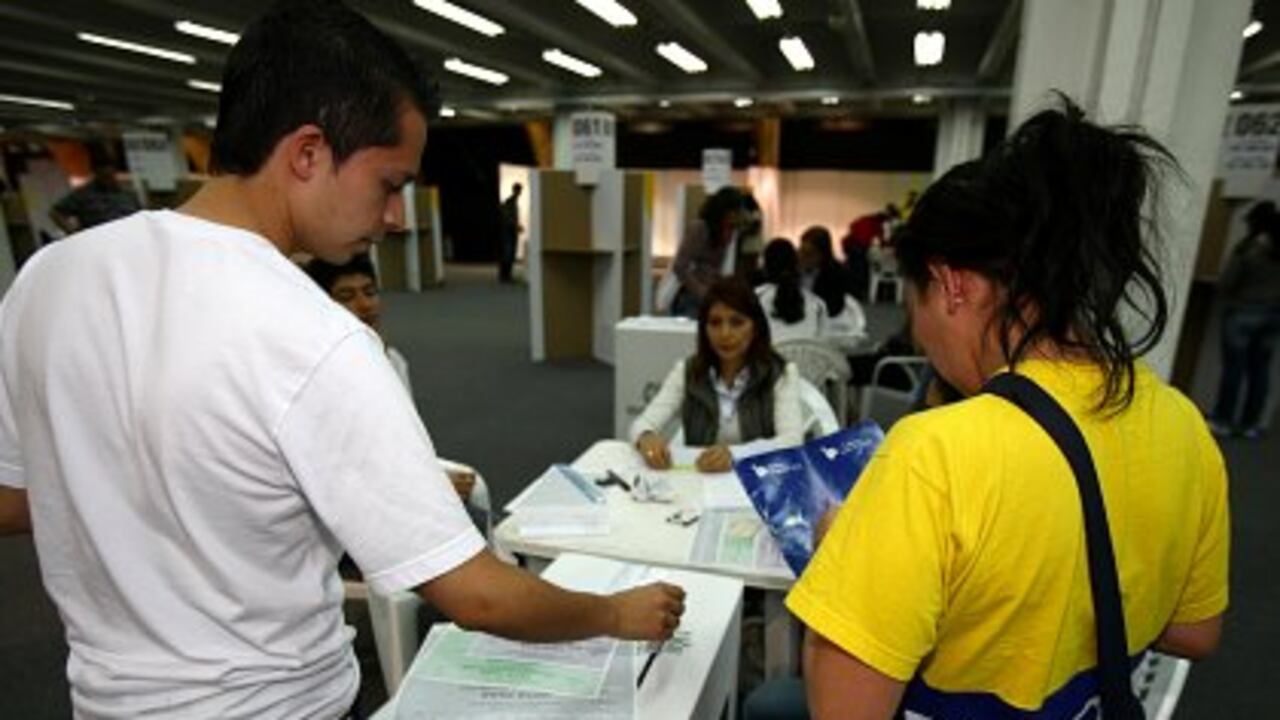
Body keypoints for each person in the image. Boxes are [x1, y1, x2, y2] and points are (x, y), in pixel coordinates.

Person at [0, 2, 683, 717]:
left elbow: (16, 502)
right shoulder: (311, 334)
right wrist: (615, 613)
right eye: (389, 184)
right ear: (308, 153)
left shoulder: (49, 278)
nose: (395, 218)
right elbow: (477, 595)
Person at [786, 99, 1228, 719]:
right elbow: (1194, 632)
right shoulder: (1182, 423)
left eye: (914, 307)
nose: (920, 338)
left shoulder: (934, 454)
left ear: (951, 284)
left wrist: (846, 553)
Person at [304, 253, 491, 518]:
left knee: (474, 490)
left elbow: (407, 441)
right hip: (349, 490)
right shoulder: (318, 375)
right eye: (346, 296)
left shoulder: (392, 360)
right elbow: (337, 466)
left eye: (370, 292)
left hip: (393, 472)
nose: (365, 304)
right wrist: (419, 488)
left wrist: (424, 478)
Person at [631, 277, 804, 473]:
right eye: (715, 323)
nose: (725, 333)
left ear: (755, 328)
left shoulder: (781, 373)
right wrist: (646, 437)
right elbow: (643, 423)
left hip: (758, 479)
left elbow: (792, 441)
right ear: (704, 329)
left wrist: (734, 455)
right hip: (702, 482)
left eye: (737, 322)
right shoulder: (687, 371)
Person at [1207, 200, 1280, 439]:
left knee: (1234, 370)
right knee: (1260, 371)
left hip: (1243, 313)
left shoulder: (1248, 249)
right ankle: (1250, 424)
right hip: (1273, 315)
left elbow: (1226, 282)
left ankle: (1223, 420)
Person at [670, 186, 746, 317]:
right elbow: (680, 266)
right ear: (724, 210)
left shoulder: (730, 230)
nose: (736, 215)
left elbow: (717, 267)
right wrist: (701, 291)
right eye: (734, 211)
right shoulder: (700, 228)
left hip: (713, 295)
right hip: (692, 297)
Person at [799, 225, 866, 347]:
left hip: (826, 323)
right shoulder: (793, 269)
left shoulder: (836, 273)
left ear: (823, 254)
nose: (802, 257)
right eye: (801, 251)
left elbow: (833, 307)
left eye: (809, 254)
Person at [49, 153, 142, 234]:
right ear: (96, 174)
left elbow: (140, 215)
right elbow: (56, 213)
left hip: (127, 237)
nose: (108, 180)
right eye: (104, 177)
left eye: (110, 176)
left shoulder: (127, 194)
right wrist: (74, 234)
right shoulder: (84, 194)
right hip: (100, 240)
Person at [756, 238, 827, 343]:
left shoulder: (754, 298)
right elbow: (823, 344)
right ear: (796, 265)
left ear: (765, 268)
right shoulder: (818, 304)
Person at [498, 182, 522, 283]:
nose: (519, 193)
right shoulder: (509, 202)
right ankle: (505, 276)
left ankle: (506, 275)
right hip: (508, 231)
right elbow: (507, 217)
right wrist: (515, 225)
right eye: (519, 190)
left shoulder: (513, 202)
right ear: (516, 190)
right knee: (508, 253)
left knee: (510, 253)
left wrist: (517, 226)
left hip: (510, 231)